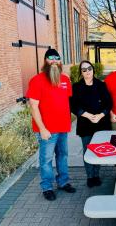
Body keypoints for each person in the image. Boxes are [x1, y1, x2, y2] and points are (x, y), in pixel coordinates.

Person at [26, 48, 76, 201]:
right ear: (45, 61)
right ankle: (47, 187)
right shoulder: (37, 80)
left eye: (57, 58)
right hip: (47, 130)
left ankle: (63, 182)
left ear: (60, 61)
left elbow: (65, 101)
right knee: (46, 160)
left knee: (63, 156)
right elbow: (33, 106)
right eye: (50, 58)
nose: (54, 61)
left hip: (63, 128)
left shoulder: (65, 80)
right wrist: (42, 129)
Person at [70, 60, 112, 188]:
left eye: (89, 68)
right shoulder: (76, 87)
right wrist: (87, 115)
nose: (87, 71)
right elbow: (73, 105)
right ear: (81, 73)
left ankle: (96, 175)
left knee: (98, 150)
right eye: (84, 70)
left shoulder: (101, 85)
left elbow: (108, 103)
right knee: (88, 150)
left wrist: (100, 115)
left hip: (100, 123)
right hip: (85, 123)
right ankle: (90, 176)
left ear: (93, 70)